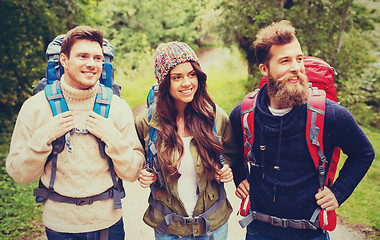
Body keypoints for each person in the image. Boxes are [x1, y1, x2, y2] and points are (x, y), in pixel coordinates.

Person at [229, 20, 375, 240]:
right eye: (285, 61)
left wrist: (338, 192)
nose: (296, 67)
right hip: (259, 231)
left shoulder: (330, 115)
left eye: (299, 59)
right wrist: (240, 177)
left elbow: (363, 153)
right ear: (264, 69)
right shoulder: (245, 113)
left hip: (310, 233)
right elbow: (233, 152)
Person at [6, 26, 145, 239]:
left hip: (108, 224)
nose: (92, 64)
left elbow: (133, 172)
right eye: (82, 56)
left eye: (98, 58)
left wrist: (112, 137)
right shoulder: (36, 107)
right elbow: (19, 173)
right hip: (59, 226)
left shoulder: (117, 107)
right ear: (64, 59)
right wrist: (44, 137)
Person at [135, 42, 236, 240]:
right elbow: (136, 158)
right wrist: (143, 173)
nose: (187, 83)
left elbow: (231, 153)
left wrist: (224, 168)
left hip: (212, 227)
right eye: (177, 77)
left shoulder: (215, 116)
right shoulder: (147, 122)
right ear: (164, 82)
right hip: (168, 228)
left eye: (191, 74)